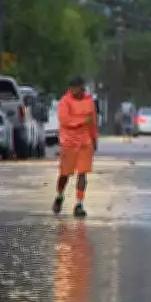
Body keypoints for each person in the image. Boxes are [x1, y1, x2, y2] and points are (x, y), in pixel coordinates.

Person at [52, 76, 99, 217]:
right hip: (69, 143)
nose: (73, 90)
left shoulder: (89, 101)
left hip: (85, 143)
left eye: (76, 87)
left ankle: (79, 204)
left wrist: (94, 139)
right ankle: (59, 195)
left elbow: (92, 122)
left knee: (82, 174)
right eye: (71, 87)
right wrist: (82, 121)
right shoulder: (65, 102)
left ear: (81, 87)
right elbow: (65, 120)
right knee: (65, 174)